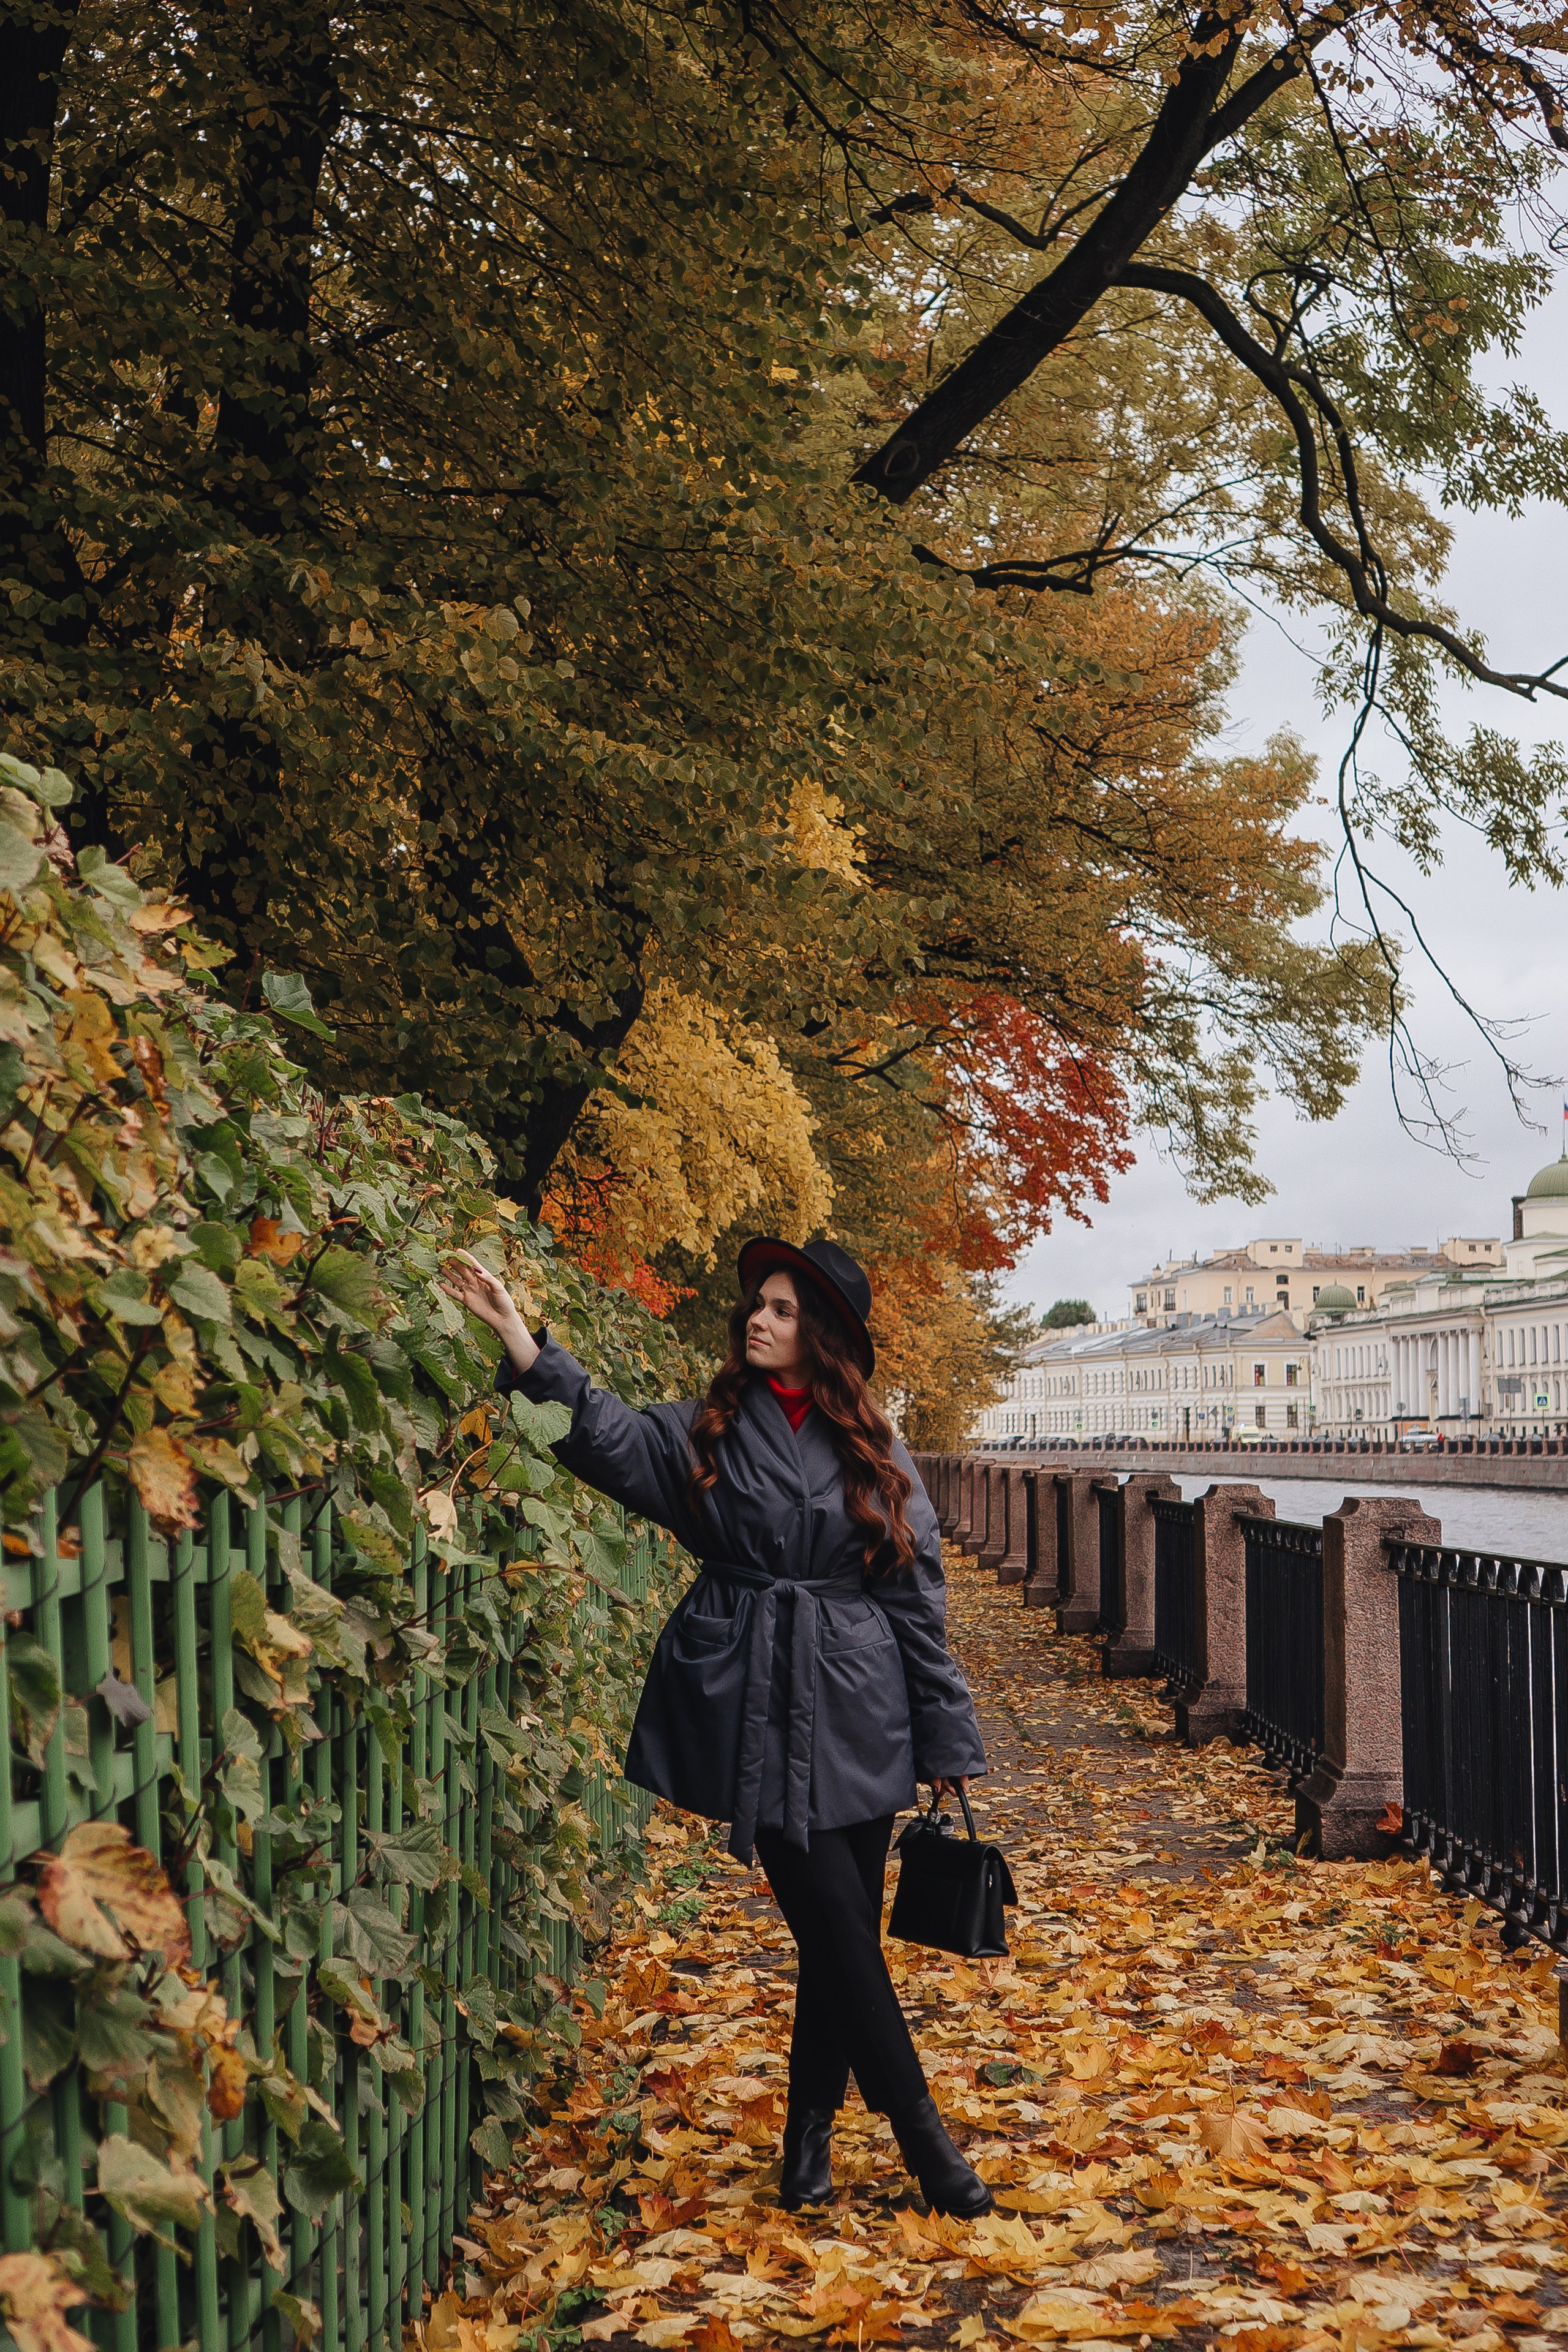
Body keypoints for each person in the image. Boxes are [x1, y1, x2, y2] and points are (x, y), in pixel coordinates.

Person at [442, 1234, 992, 2217]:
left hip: (862, 1708)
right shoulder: (709, 1427)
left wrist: (947, 1746)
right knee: (832, 1923)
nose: (759, 1319)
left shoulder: (877, 1449)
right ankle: (926, 2142)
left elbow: (918, 1608)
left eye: (782, 1309)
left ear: (821, 1334)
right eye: (758, 1306)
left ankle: (807, 2145)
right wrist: (523, 1339)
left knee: (841, 1936)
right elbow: (605, 1436)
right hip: (758, 1703)